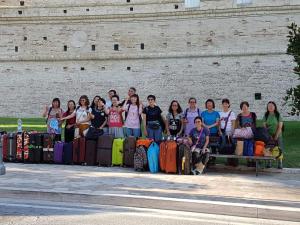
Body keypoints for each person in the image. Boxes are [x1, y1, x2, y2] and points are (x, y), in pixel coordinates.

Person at [263, 101, 284, 169]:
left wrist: (276, 136)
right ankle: (269, 162)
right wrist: (269, 136)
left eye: (272, 106)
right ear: (267, 107)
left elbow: (280, 126)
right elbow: (264, 126)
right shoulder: (266, 115)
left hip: (278, 135)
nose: (270, 107)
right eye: (269, 106)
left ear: (275, 107)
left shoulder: (278, 115)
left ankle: (280, 163)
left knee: (279, 149)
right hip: (268, 135)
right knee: (269, 148)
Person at [235, 101, 257, 167]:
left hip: (251, 133)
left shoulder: (253, 114)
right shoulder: (239, 115)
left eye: (245, 106)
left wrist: (250, 129)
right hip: (243, 134)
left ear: (248, 107)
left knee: (251, 146)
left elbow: (255, 124)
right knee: (245, 147)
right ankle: (248, 161)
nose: (244, 108)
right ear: (241, 108)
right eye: (243, 107)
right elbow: (237, 125)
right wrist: (241, 128)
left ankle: (253, 161)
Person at [218, 99, 237, 166]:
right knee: (224, 145)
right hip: (222, 132)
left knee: (230, 145)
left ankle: (232, 161)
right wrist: (219, 131)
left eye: (226, 103)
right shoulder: (220, 113)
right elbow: (219, 123)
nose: (225, 105)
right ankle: (228, 160)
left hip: (229, 132)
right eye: (224, 103)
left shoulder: (232, 113)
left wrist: (232, 132)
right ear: (222, 105)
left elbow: (233, 123)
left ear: (229, 104)